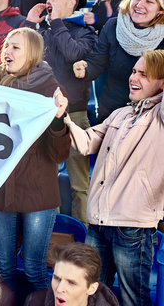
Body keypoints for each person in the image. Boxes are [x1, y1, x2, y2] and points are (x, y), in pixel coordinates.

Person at [56, 49, 164, 306]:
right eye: (133, 71)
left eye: (144, 74)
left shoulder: (159, 116)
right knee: (92, 296)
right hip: (98, 223)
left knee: (131, 300)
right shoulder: (120, 114)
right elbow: (85, 143)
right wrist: (65, 116)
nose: (133, 77)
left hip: (134, 227)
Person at [0, 28, 70, 293]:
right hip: (2, 190)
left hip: (37, 193)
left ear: (32, 53)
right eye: (7, 46)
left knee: (35, 267)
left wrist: (58, 118)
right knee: (2, 266)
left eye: (16, 47)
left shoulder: (51, 89)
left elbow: (60, 153)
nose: (8, 52)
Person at [26, 0, 97, 224]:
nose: (49, 1)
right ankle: (50, 236)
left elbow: (74, 54)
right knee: (48, 182)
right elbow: (23, 57)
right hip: (46, 116)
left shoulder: (86, 32)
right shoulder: (43, 31)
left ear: (72, 2)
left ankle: (84, 242)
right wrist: (30, 24)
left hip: (75, 115)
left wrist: (56, 23)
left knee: (80, 185)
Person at [73, 0, 164, 122]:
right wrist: (86, 68)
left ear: (161, 9)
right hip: (112, 108)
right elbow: (97, 60)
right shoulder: (113, 26)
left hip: (150, 113)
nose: (139, 5)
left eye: (149, 1)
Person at [24, 243, 119, 306]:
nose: (59, 289)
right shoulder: (34, 301)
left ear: (91, 288)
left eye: (71, 283)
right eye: (57, 278)